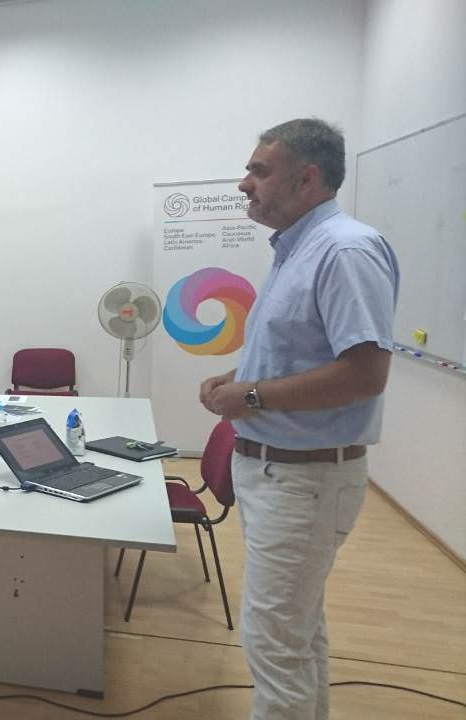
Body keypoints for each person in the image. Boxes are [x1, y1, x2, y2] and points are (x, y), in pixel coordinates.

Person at [199, 118, 399, 720]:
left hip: (303, 481)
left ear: (307, 179)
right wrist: (238, 379)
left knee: (274, 643)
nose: (244, 184)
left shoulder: (344, 251)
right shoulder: (296, 250)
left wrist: (254, 397)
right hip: (279, 475)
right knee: (294, 634)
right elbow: (303, 353)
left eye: (260, 171)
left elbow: (364, 374)